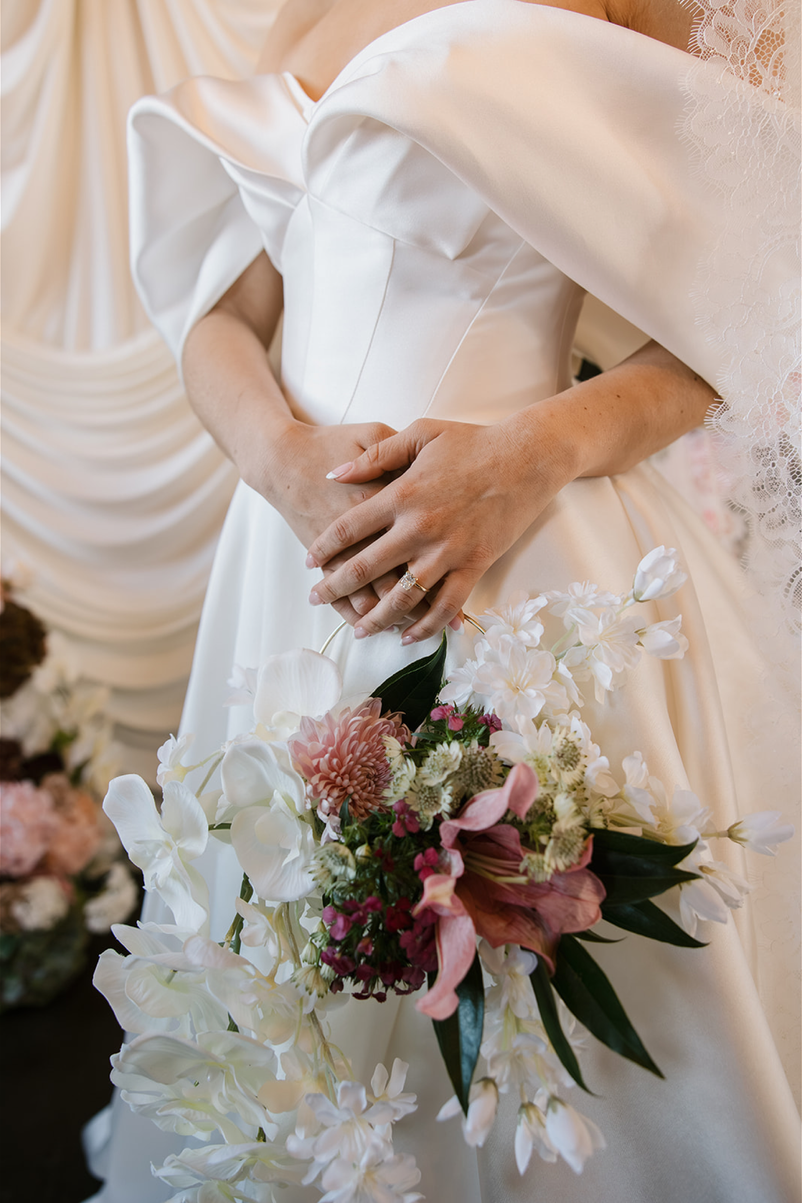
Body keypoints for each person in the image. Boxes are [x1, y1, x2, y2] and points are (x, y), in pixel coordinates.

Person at [90, 1, 800, 1199]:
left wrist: (535, 453)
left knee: (543, 967)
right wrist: (278, 462)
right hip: (287, 564)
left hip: (519, 570)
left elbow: (761, 291)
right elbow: (226, 310)